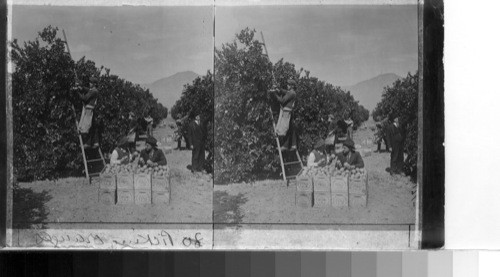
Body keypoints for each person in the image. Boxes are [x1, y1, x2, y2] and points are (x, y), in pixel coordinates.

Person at [270, 78, 297, 151]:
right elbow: (284, 91)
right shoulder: (292, 92)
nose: (287, 86)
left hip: (286, 112)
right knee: (291, 128)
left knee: (285, 128)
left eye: (288, 85)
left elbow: (282, 101)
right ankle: (293, 145)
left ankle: (285, 146)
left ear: (292, 86)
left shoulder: (291, 93)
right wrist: (278, 88)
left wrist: (274, 94)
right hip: (289, 112)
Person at [75, 76, 99, 148]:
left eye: (91, 82)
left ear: (94, 84)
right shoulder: (93, 90)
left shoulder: (94, 91)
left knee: (88, 126)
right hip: (91, 109)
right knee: (92, 126)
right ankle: (95, 142)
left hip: (89, 110)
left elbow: (84, 98)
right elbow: (87, 89)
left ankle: (88, 143)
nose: (89, 83)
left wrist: (77, 92)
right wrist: (80, 87)